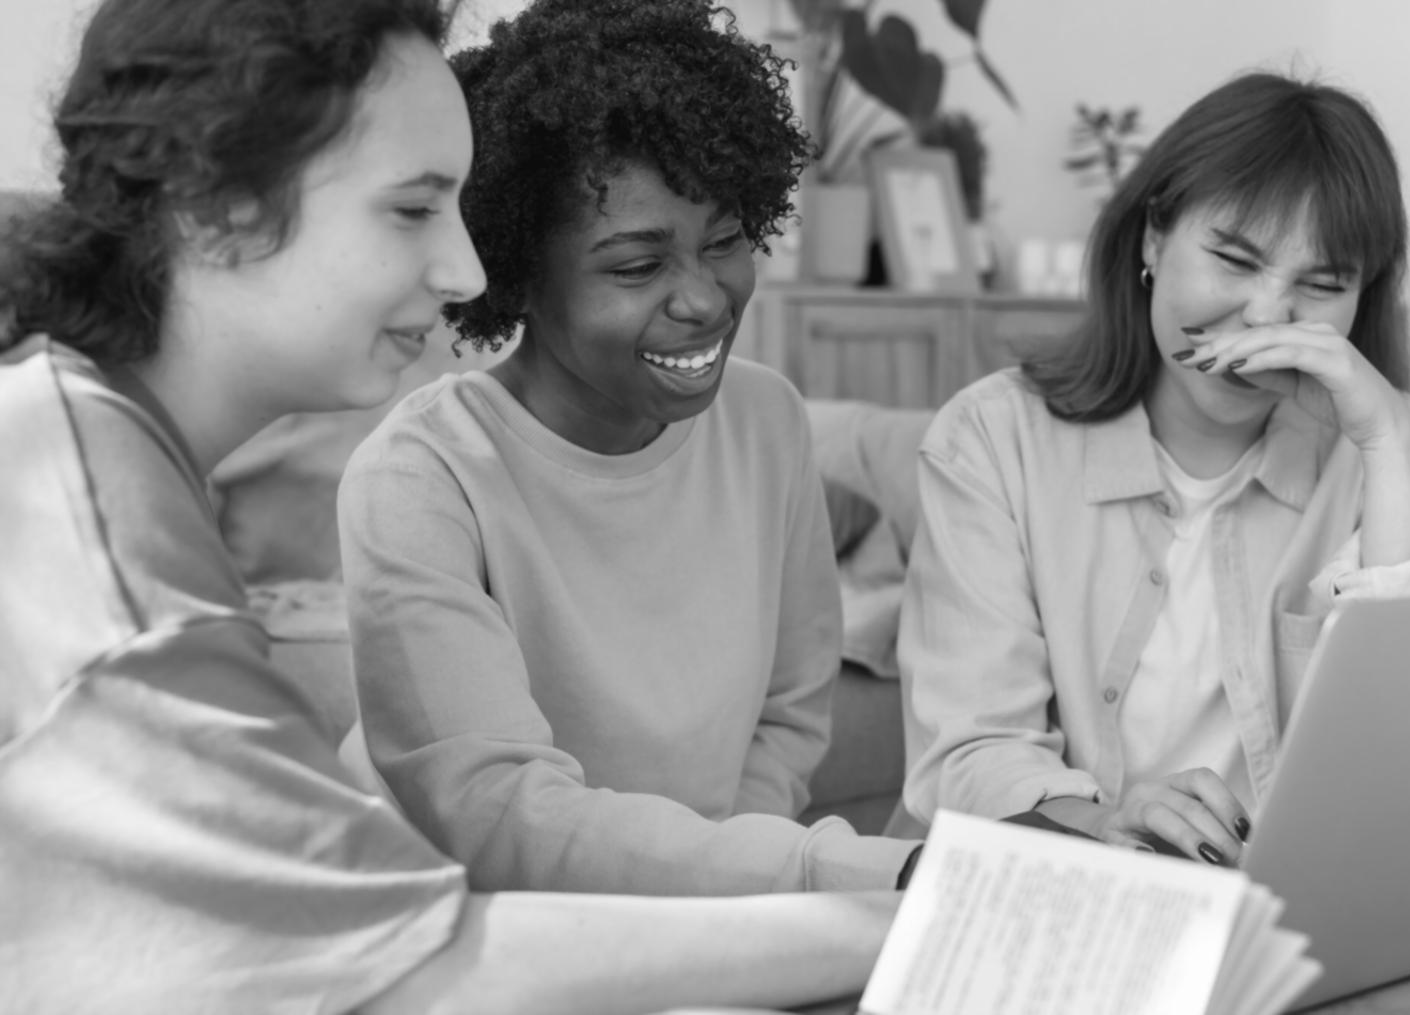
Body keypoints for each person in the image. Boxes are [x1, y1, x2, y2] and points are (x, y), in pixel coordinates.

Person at [0, 0, 902, 1010]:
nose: (469, 269)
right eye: (412, 206)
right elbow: (413, 962)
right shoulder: (88, 534)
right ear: (217, 207)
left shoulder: (96, 449)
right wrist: (896, 903)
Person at [337, 0, 922, 897]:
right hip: (479, 923)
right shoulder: (424, 475)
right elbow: (497, 813)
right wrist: (810, 865)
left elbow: (791, 706)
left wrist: (735, 868)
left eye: (724, 241)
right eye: (636, 266)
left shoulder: (766, 420)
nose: (704, 299)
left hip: (717, 901)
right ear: (518, 276)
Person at [896, 72, 1410, 868]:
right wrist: (1102, 819)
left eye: (1321, 285)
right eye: (1233, 260)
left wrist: (1385, 433)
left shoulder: (1397, 456)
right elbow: (966, 755)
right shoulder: (991, 439)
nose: (1269, 317)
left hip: (1293, 918)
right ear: (1151, 240)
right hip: (1054, 889)